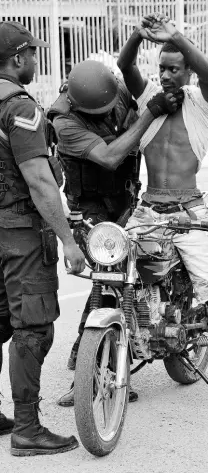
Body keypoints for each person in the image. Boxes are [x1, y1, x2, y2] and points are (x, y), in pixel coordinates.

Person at [0, 21, 86, 457]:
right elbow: (42, 184)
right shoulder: (20, 108)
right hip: (21, 233)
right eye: (32, 54)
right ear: (18, 58)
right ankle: (27, 428)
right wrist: (67, 240)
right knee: (33, 326)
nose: (35, 61)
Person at [47, 59, 181, 407]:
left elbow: (134, 86)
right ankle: (95, 368)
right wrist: (150, 113)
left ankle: (92, 354)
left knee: (127, 279)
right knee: (107, 278)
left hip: (124, 198)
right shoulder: (64, 122)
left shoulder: (116, 88)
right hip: (88, 209)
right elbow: (109, 156)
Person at [117, 13, 208, 308]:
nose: (166, 76)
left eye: (174, 69)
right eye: (161, 69)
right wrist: (137, 35)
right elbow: (125, 66)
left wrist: (175, 36)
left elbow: (209, 73)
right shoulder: (149, 98)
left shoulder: (201, 103)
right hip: (148, 211)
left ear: (189, 71)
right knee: (119, 275)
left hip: (188, 213)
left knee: (209, 292)